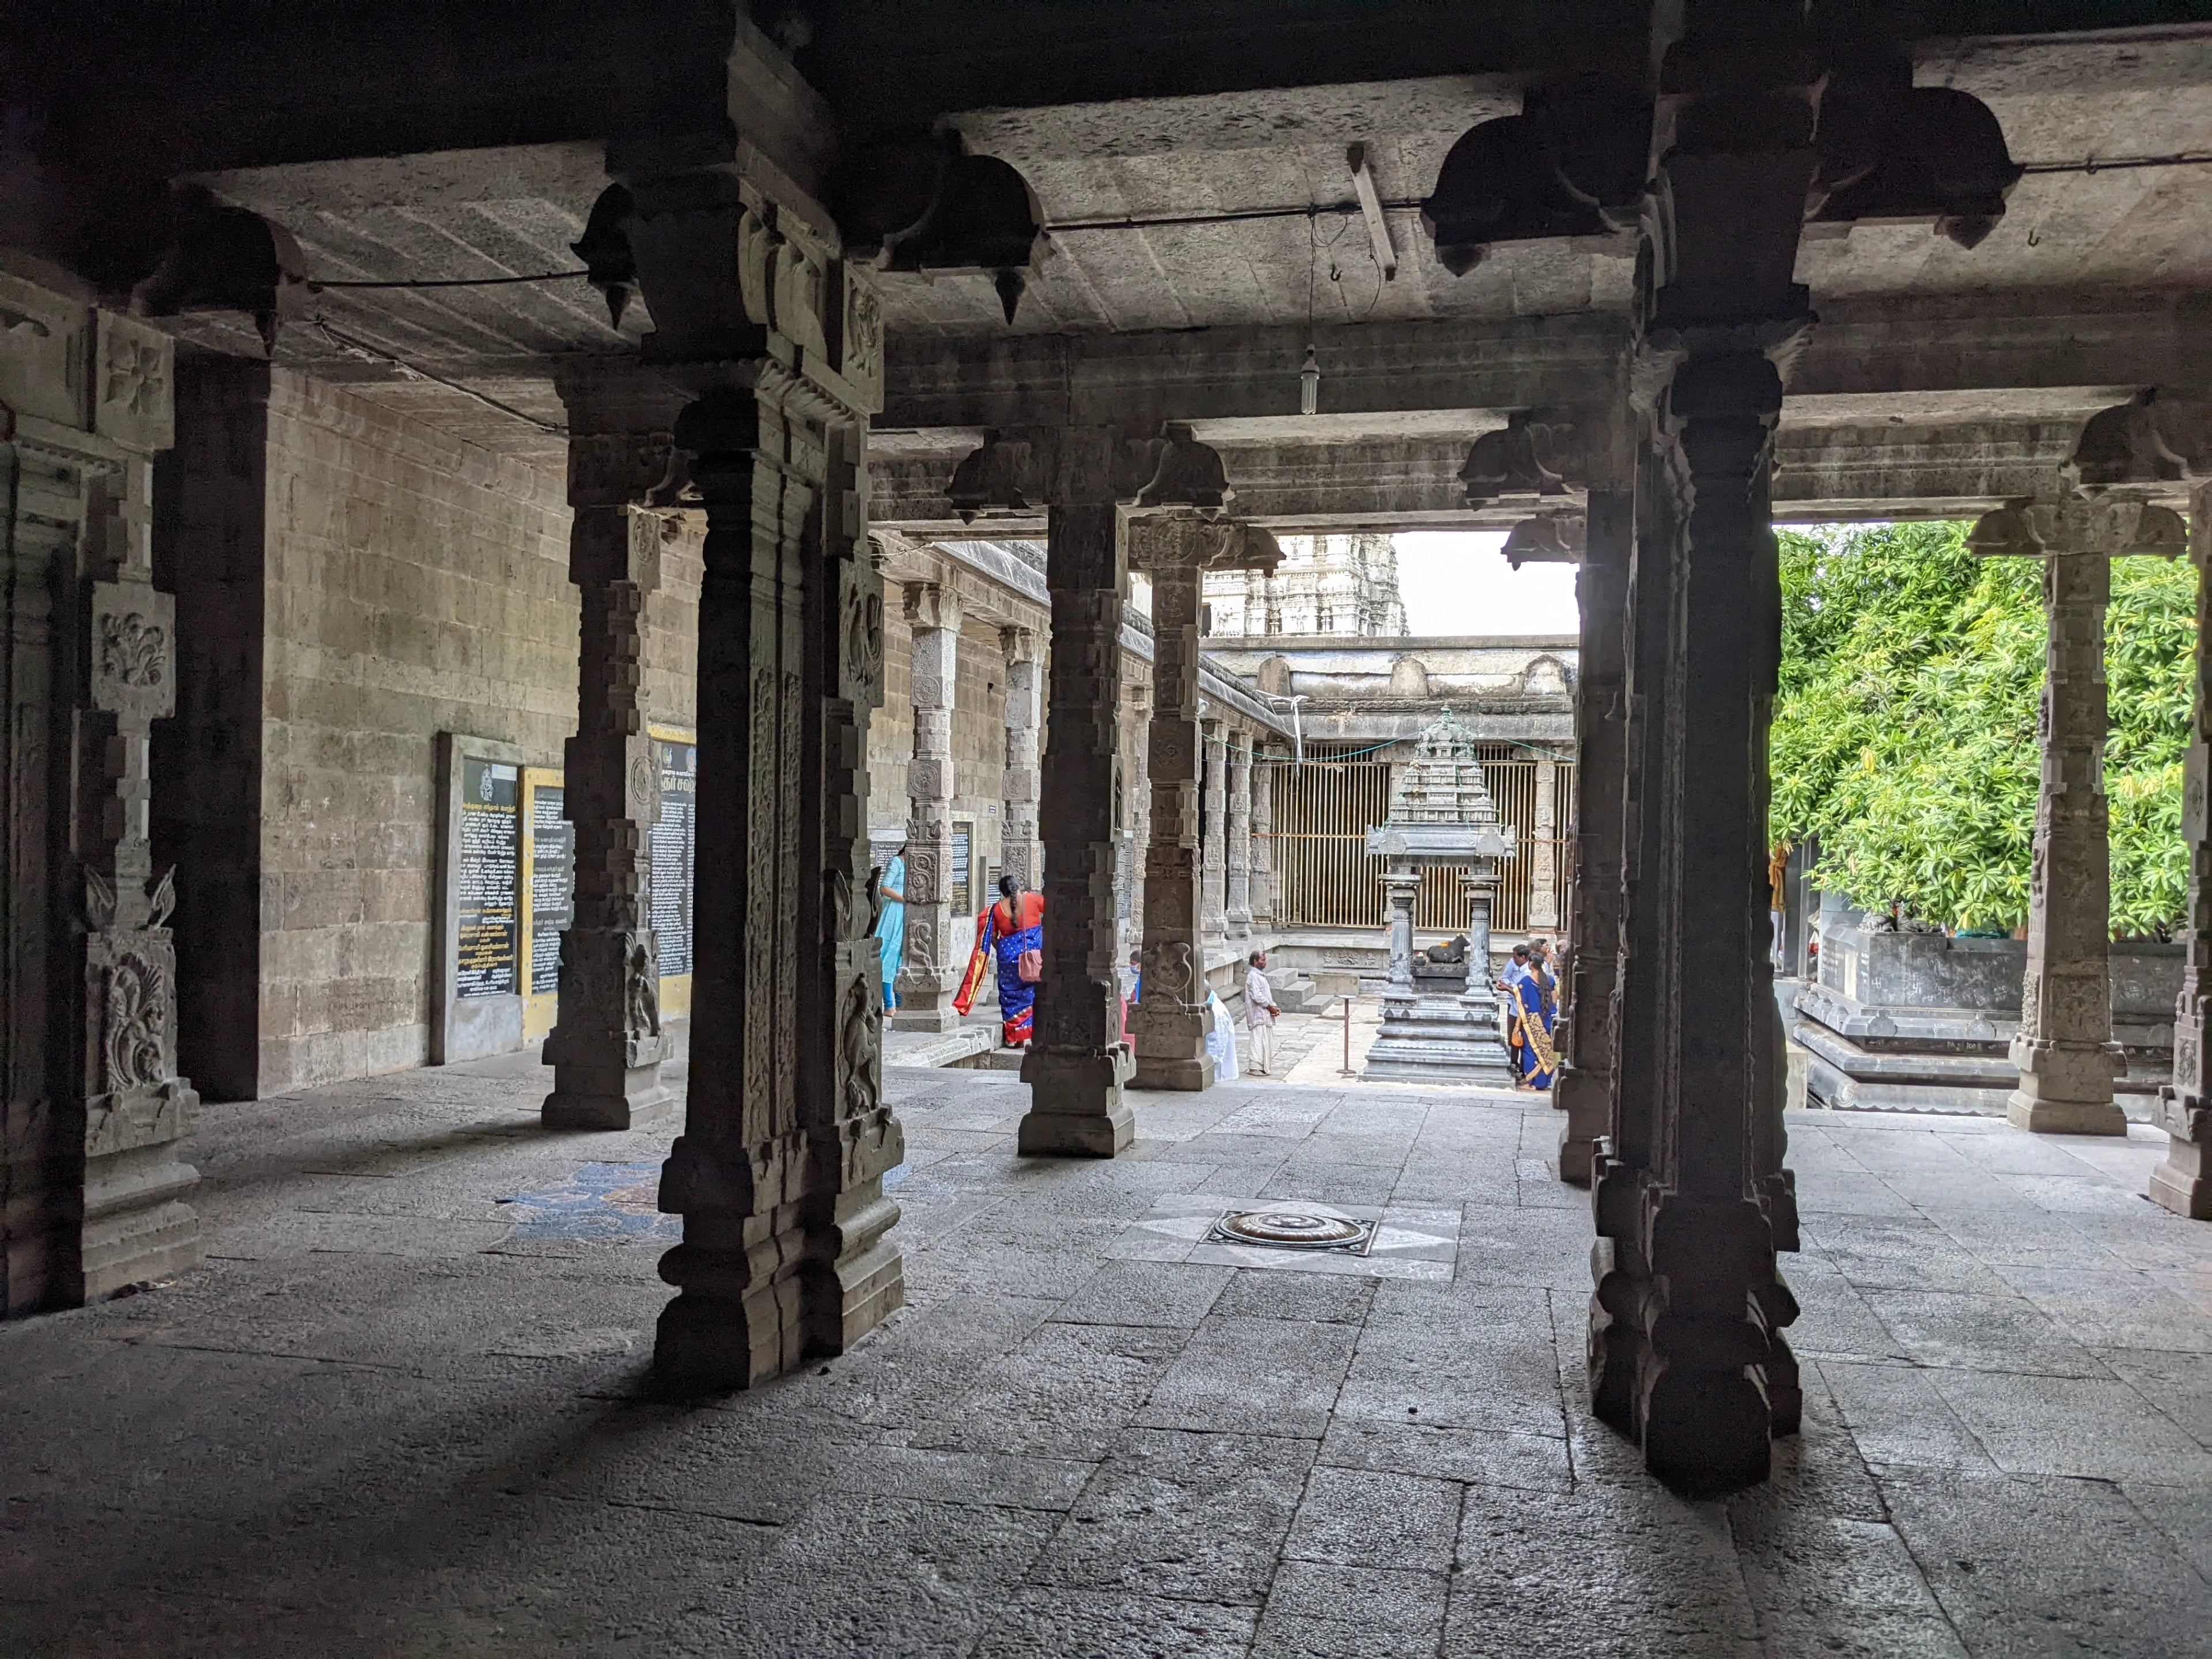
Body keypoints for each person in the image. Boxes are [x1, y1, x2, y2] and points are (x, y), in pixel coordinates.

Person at [954, 874, 1046, 1047]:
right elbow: (1055, 911)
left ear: (1002, 892)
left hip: (1008, 962)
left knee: (1011, 997)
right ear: (1018, 887)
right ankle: (1031, 1034)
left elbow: (993, 938)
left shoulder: (995, 910)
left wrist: (1006, 949)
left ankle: (1016, 1038)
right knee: (1032, 995)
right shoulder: (1032, 900)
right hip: (1033, 959)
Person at [1502, 943, 1556, 1091]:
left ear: (1531, 964)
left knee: (1530, 1052)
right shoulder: (1550, 980)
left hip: (1532, 1023)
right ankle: (1543, 1082)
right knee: (1545, 1051)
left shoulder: (1526, 982)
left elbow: (1519, 1000)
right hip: (1546, 1021)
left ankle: (1533, 1083)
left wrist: (1504, 988)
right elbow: (1554, 1000)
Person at [874, 846, 907, 1014]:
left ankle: (900, 1003)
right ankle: (888, 1005)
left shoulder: (913, 866)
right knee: (889, 956)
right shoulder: (897, 862)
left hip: (905, 914)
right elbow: (884, 888)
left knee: (901, 959)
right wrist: (906, 899)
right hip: (893, 913)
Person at [1244, 950, 1282, 1076]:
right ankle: (1255, 1067)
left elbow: (1265, 995)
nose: (1265, 963)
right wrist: (1270, 1007)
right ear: (1255, 962)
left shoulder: (1259, 975)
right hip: (1258, 1015)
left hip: (1264, 1014)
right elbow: (1257, 996)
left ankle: (1261, 1067)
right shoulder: (1253, 976)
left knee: (1265, 1040)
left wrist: (1273, 1007)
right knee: (1258, 1040)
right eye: (1263, 960)